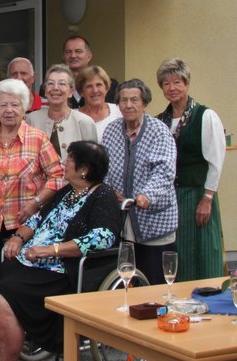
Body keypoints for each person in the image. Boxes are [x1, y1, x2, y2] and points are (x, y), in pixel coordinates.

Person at [0, 141, 121, 361]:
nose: (64, 163)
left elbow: (103, 237)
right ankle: (10, 349)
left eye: (70, 159)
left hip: (62, 270)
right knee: (0, 276)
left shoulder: (102, 196)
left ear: (84, 170)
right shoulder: (67, 191)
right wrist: (18, 237)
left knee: (7, 290)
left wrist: (50, 250)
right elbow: (37, 219)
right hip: (33, 262)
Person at [0, 78, 64, 358]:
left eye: (15, 104)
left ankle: (24, 337)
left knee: (18, 282)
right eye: (3, 104)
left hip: (24, 224)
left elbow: (58, 176)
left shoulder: (37, 138)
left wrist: (36, 202)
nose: (9, 109)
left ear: (24, 108)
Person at [102, 79, 177, 285]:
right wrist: (109, 191)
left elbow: (164, 171)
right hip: (124, 219)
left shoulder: (159, 131)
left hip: (154, 219)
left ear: (144, 103)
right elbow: (104, 167)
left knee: (155, 281)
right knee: (128, 279)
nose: (128, 105)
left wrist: (146, 196)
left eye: (134, 100)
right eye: (123, 100)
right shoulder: (111, 130)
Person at [156, 58, 226, 281]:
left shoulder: (205, 116)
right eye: (166, 83)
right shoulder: (160, 120)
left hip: (197, 194)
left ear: (187, 84)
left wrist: (207, 198)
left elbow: (216, 160)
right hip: (170, 198)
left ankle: (209, 299)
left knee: (202, 251)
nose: (172, 88)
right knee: (178, 253)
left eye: (177, 82)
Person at [26, 64, 97, 159]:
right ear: (46, 91)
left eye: (62, 83)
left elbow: (93, 162)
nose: (55, 88)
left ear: (71, 91)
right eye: (50, 83)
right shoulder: (31, 120)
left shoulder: (84, 122)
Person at [59, 35, 119, 108]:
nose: (73, 55)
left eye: (78, 51)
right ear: (63, 57)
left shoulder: (111, 86)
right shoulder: (53, 87)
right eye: (68, 52)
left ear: (89, 56)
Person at [76, 65, 123, 142]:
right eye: (89, 86)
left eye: (99, 85)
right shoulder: (72, 117)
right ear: (81, 92)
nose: (95, 90)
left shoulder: (119, 112)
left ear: (106, 88)